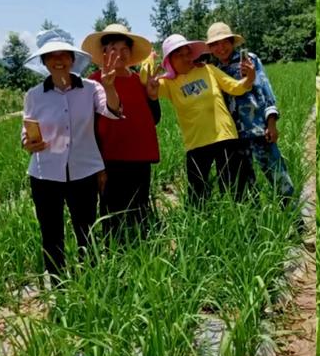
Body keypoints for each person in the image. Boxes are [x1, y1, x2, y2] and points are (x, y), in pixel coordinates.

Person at [21, 29, 122, 279]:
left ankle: (89, 280)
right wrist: (28, 143)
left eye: (64, 54)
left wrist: (110, 87)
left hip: (83, 171)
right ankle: (56, 282)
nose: (58, 59)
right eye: (51, 55)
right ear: (44, 62)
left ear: (72, 59)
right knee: (51, 232)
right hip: (45, 174)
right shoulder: (34, 95)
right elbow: (26, 132)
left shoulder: (91, 88)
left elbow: (113, 111)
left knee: (85, 229)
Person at [153, 33, 255, 204]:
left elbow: (235, 87)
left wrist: (248, 79)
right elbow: (147, 83)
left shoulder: (207, 69)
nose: (186, 58)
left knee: (234, 190)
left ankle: (238, 226)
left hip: (225, 136)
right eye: (180, 55)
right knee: (197, 195)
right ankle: (203, 228)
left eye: (188, 53)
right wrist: (149, 60)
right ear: (169, 61)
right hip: (196, 143)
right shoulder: (168, 83)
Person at [81, 24, 160, 240]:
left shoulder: (138, 81)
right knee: (112, 213)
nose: (120, 54)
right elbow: (88, 127)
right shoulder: (93, 83)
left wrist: (153, 97)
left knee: (139, 209)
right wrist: (97, 166)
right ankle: (114, 256)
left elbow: (154, 119)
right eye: (114, 49)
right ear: (104, 52)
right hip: (110, 160)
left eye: (125, 49)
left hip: (140, 158)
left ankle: (141, 252)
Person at [205, 22, 295, 204]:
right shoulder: (214, 71)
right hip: (234, 136)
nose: (221, 48)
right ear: (210, 48)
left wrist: (271, 123)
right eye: (215, 44)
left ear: (232, 42)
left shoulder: (249, 60)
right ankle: (255, 225)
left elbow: (265, 90)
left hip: (259, 129)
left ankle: (295, 219)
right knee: (245, 183)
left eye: (224, 42)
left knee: (278, 175)